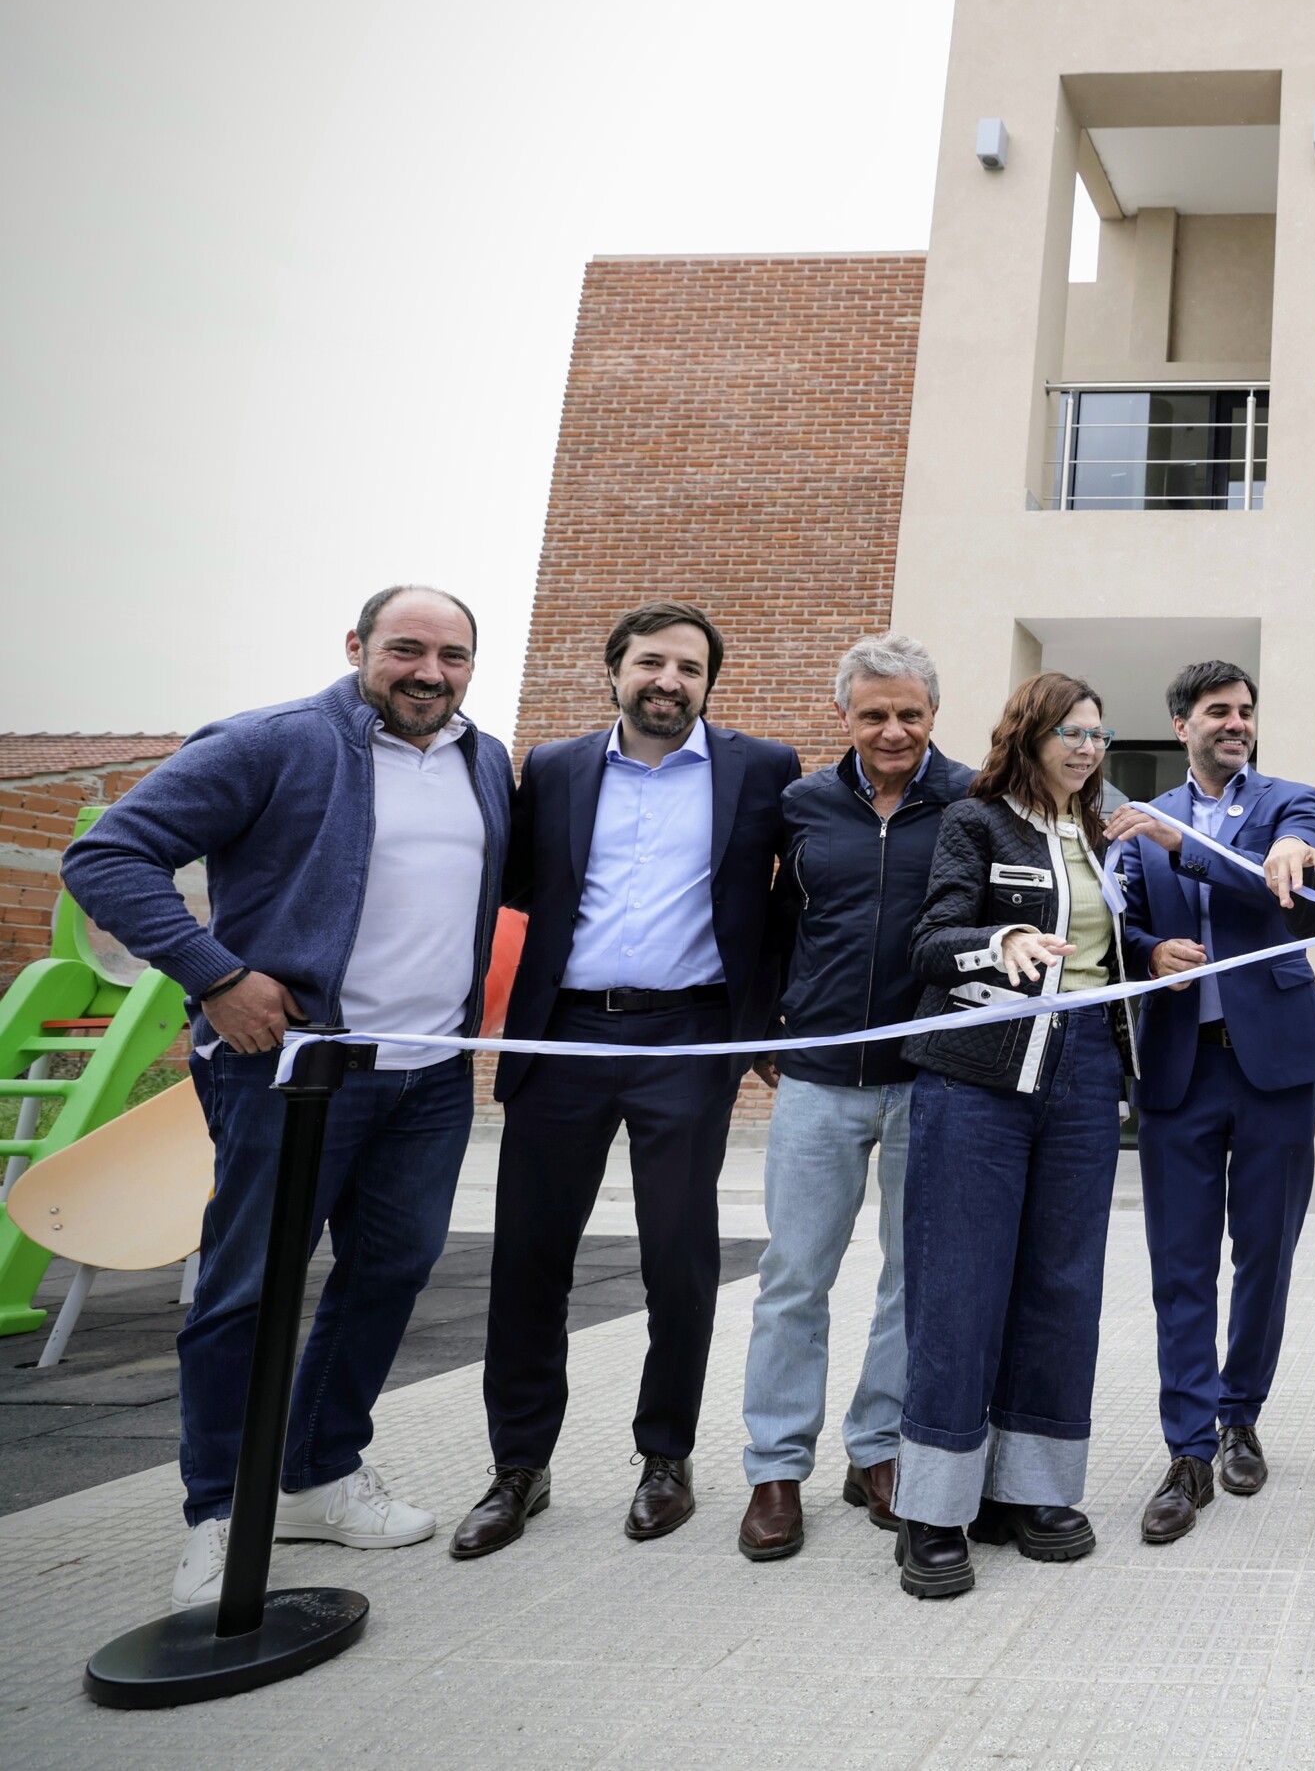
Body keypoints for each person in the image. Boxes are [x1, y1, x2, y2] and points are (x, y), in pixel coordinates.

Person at [61, 587, 511, 1607]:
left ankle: (316, 1474)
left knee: (391, 1272)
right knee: (246, 1292)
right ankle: (217, 1514)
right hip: (292, 1074)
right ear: (357, 647)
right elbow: (107, 856)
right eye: (406, 649)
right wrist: (215, 974)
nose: (428, 673)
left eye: (452, 656)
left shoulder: (487, 763)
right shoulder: (273, 741)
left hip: (429, 1076)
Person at [458, 602, 798, 1558]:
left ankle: (666, 1457)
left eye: (690, 668)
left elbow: (787, 905)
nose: (670, 681)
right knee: (528, 1259)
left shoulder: (761, 769)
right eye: (652, 662)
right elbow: (521, 887)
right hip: (563, 1034)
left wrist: (761, 1016)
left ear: (708, 683)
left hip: (688, 1037)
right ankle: (517, 1467)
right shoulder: (556, 768)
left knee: (677, 1259)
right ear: (613, 671)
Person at [884, 672, 1139, 1599]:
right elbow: (931, 939)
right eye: (1069, 730)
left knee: (1062, 1284)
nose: (1086, 747)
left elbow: (1103, 952)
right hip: (980, 1074)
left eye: (1098, 733)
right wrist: (1000, 943)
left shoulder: (1104, 833)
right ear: (1029, 736)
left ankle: (1029, 1492)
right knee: (961, 1282)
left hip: (1084, 1077)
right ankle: (934, 1506)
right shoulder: (976, 820)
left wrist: (1157, 958)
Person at [735, 634, 970, 1560]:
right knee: (793, 1277)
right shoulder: (798, 803)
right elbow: (762, 920)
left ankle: (878, 1450)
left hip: (928, 1077)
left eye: (910, 712)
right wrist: (768, 1023)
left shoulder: (969, 799)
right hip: (819, 1078)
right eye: (874, 713)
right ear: (845, 715)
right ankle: (775, 1467)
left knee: (910, 1280)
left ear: (932, 714)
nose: (893, 729)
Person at [1100, 659, 1315, 1545]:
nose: (1235, 723)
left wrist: (1186, 845)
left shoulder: (1290, 802)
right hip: (1177, 1069)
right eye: (1216, 712)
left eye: (1245, 711)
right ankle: (1188, 1448)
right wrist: (1147, 946)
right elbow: (1109, 919)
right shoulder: (1132, 821)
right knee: (1181, 1266)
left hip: (1275, 1063)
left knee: (1265, 1256)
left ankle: (1242, 1414)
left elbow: (1288, 886)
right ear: (1180, 724)